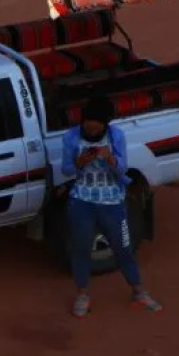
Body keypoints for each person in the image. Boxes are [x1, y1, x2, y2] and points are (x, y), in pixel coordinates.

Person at [59, 94, 159, 318]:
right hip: (82, 201)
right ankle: (82, 295)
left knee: (123, 248)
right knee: (81, 248)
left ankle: (139, 291)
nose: (92, 132)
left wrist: (111, 159)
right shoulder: (71, 138)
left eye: (97, 129)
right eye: (88, 127)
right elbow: (66, 170)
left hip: (113, 202)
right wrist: (79, 162)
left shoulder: (116, 136)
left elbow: (122, 169)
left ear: (106, 125)